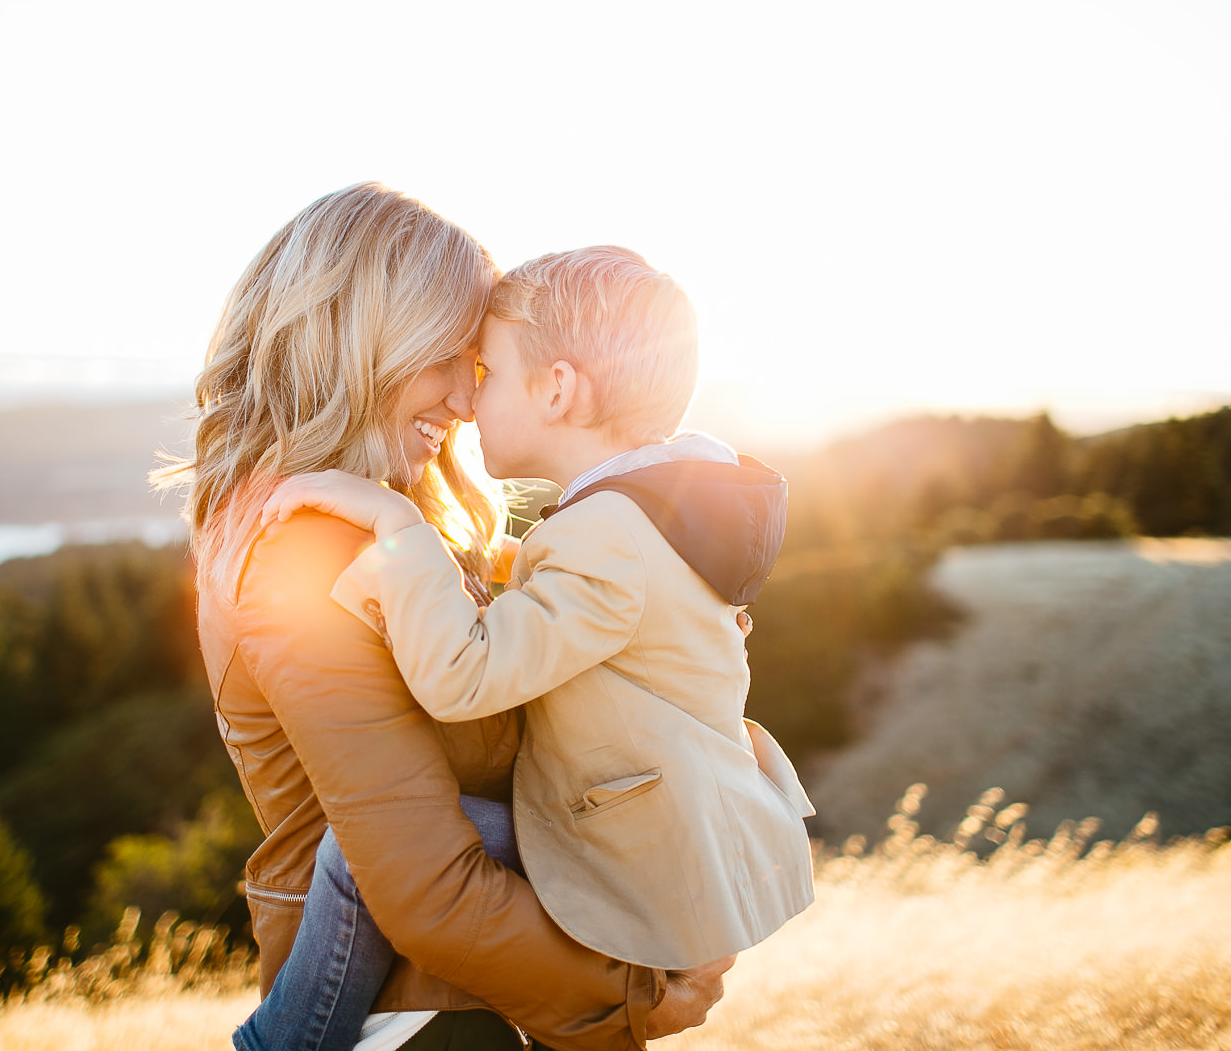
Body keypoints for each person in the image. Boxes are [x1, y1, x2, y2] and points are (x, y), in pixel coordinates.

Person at [155, 185, 729, 1051]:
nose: (465, 399)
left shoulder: (377, 534)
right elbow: (426, 885)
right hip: (409, 1020)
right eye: (446, 358)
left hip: (464, 1004)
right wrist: (634, 998)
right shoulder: (307, 554)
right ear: (363, 342)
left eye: (479, 365)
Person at [251, 245, 816, 1049]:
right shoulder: (658, 512)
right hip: (658, 826)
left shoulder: (607, 536)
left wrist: (397, 524)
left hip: (630, 845)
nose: (468, 399)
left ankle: (276, 1045)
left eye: (486, 369)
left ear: (557, 389)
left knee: (359, 858)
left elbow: (462, 676)